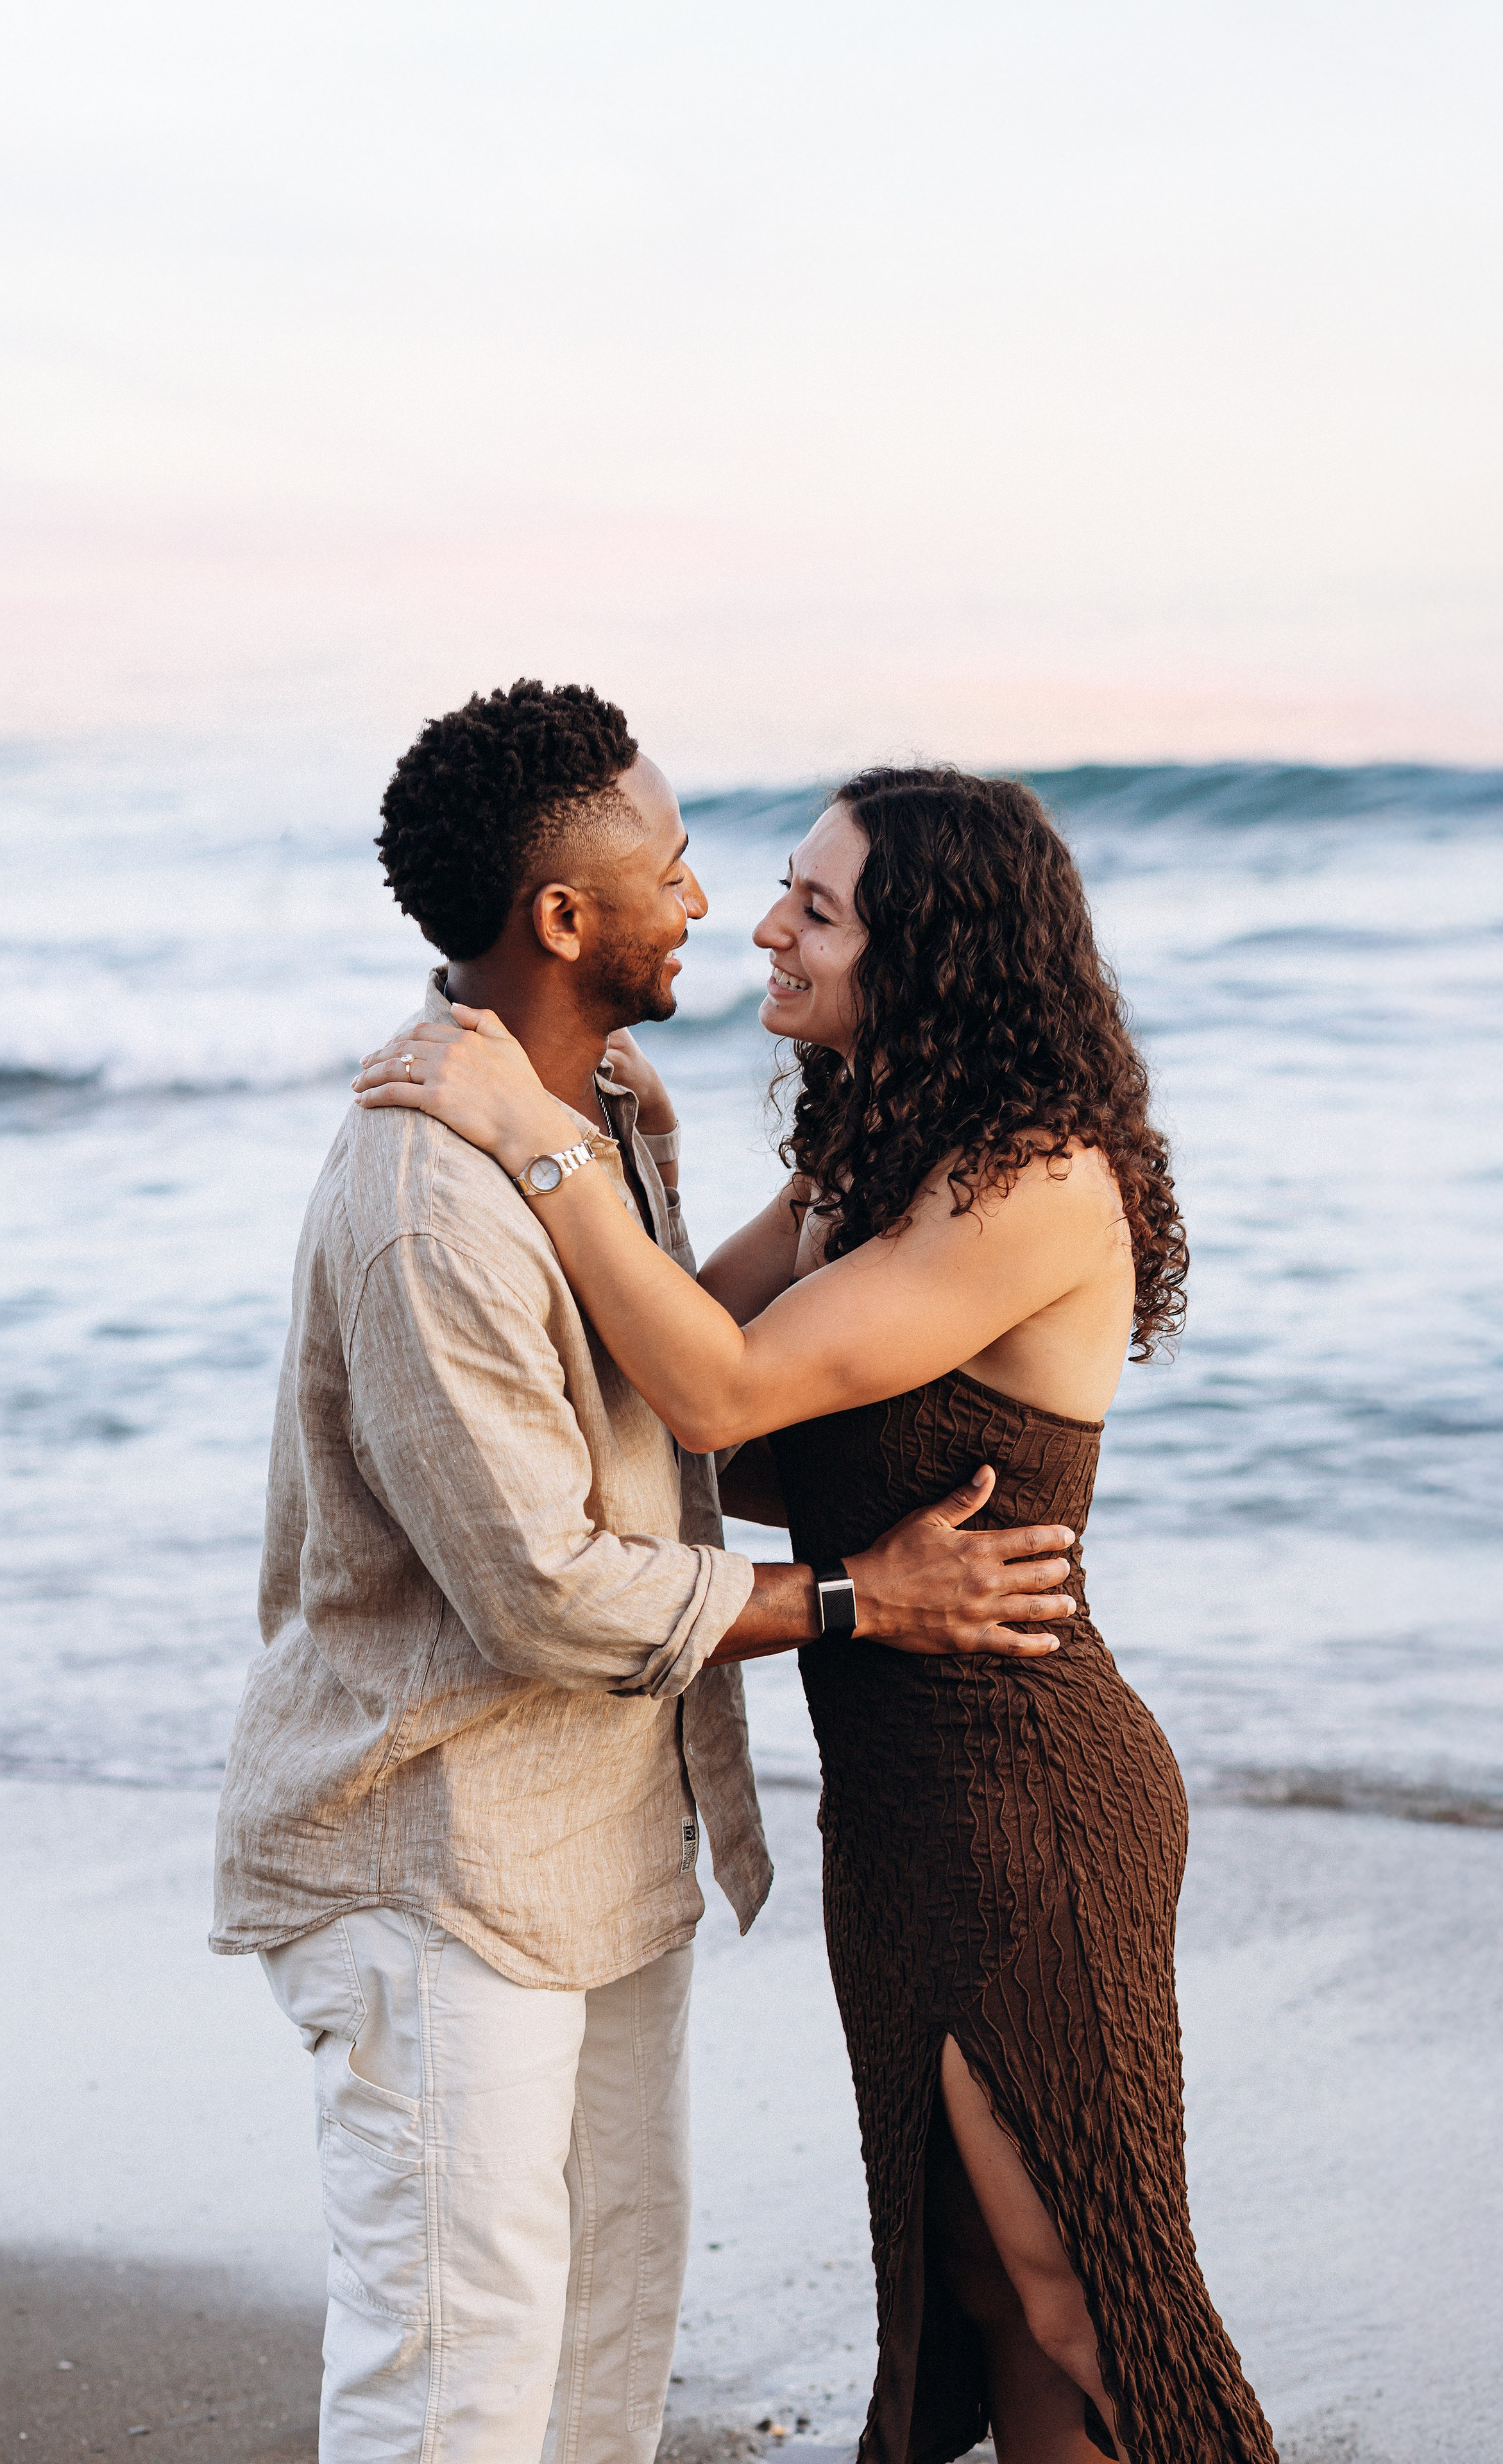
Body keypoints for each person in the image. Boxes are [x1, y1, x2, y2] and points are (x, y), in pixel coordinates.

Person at [354, 763, 1280, 2464]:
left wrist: (533, 1131)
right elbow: (680, 1411)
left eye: (817, 908)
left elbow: (717, 1394)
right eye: (779, 886)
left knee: (1087, 2295)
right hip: (900, 1810)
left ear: (926, 955)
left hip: (1036, 1799)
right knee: (982, 2307)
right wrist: (609, 1142)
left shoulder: (1037, 1183)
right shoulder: (868, 1160)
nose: (764, 926)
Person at [212, 684, 1083, 2464]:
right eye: (679, 866)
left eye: (771, 889)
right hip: (439, 1844)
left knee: (607, 2327)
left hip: (603, 1833)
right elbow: (548, 1586)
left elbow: (694, 1408)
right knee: (455, 2367)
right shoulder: (426, 1200)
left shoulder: (612, 1106)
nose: (712, 906)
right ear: (563, 919)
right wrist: (860, 1598)